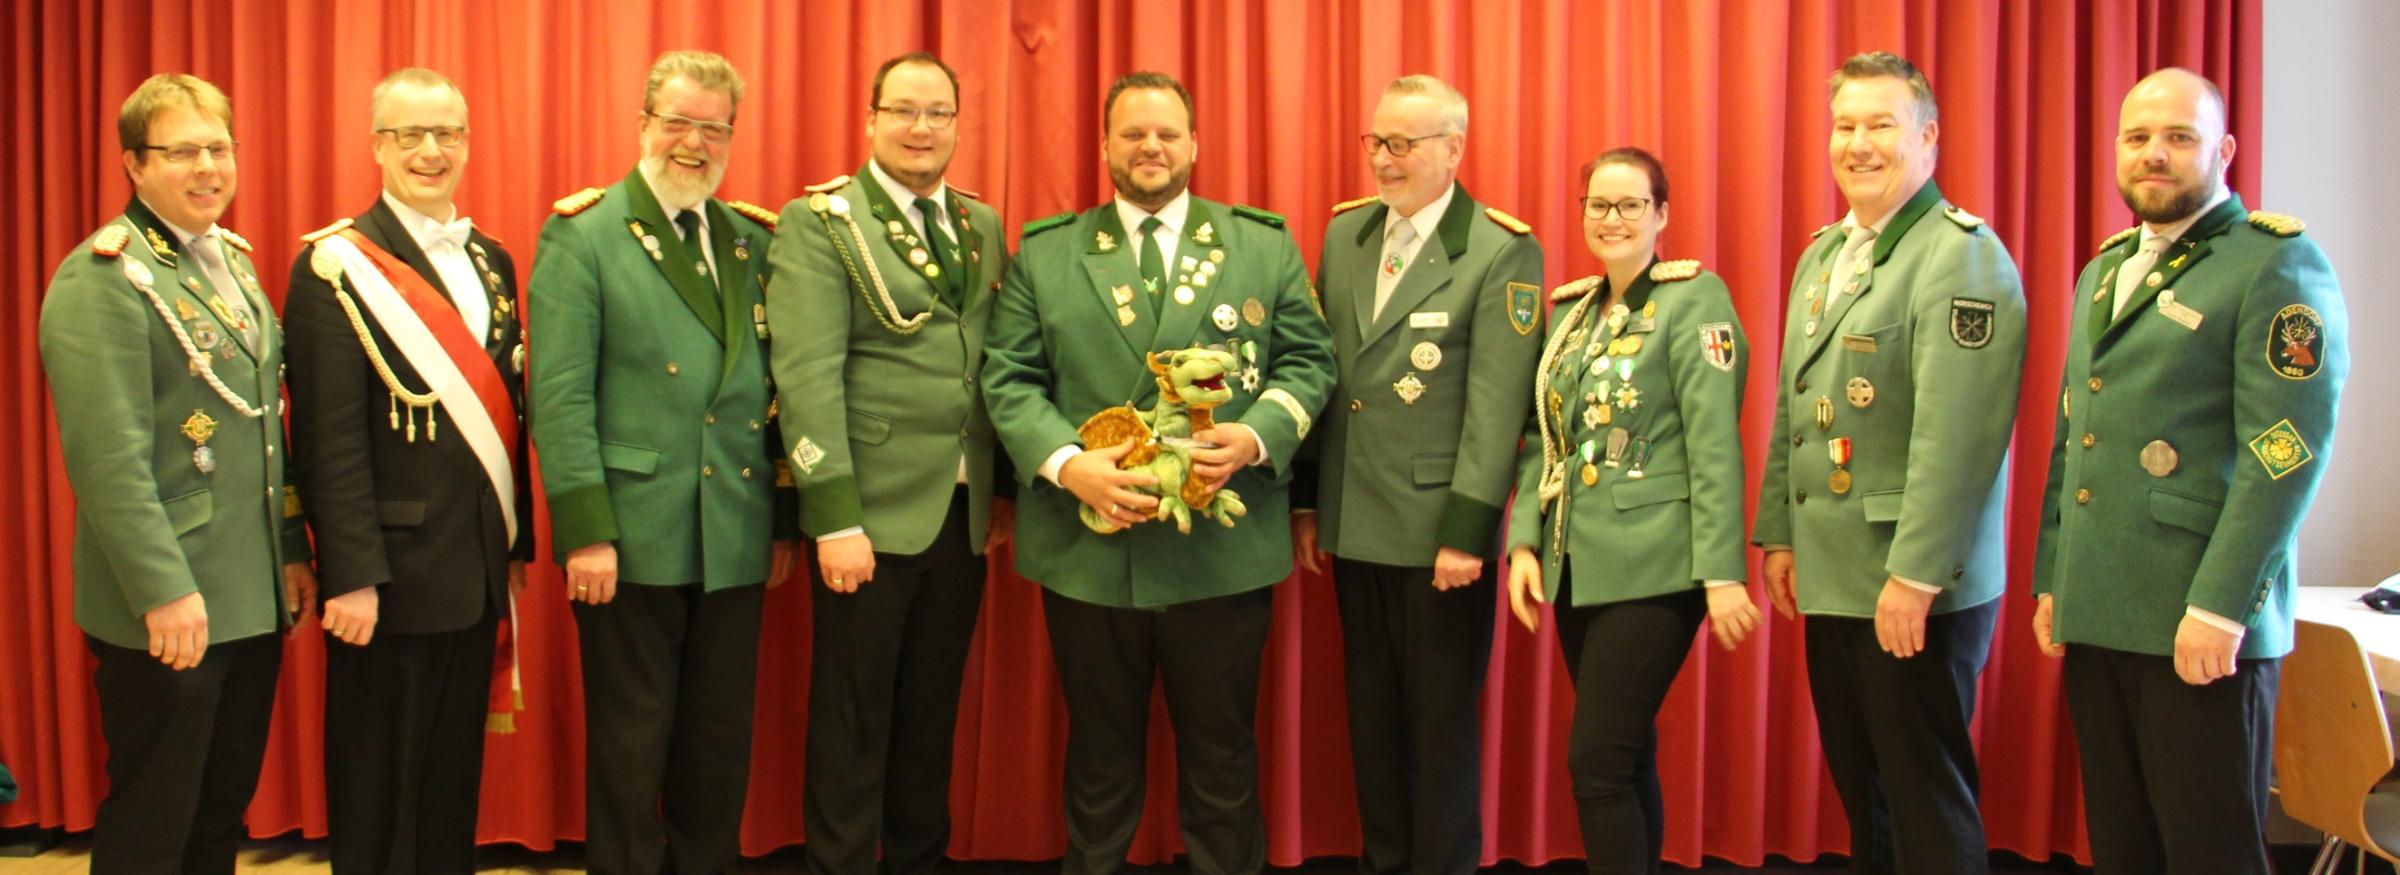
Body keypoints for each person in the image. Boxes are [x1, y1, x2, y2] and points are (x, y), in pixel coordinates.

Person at [980, 70, 1335, 875]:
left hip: (1220, 548)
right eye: (1134, 133)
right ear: (1105, 145)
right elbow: (1007, 377)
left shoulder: (1260, 243)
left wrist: (1254, 435)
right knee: (1099, 760)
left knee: (1221, 757)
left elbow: (1312, 361)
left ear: (1195, 144)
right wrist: (1069, 467)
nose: (1151, 147)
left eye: (1168, 133)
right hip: (1090, 546)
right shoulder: (1048, 251)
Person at [2030, 67, 2348, 875]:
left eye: (2179, 137)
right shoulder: (2104, 270)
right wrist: (2054, 575)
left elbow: (2287, 450)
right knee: (2125, 844)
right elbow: (2078, 436)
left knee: (2211, 853)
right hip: (2103, 604)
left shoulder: (2275, 263)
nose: (2155, 155)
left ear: (2224, 150)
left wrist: (2221, 604)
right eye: (2138, 138)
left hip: (2199, 620)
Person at [1749, 51, 2026, 875]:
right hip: (1837, 569)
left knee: (1924, 798)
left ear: (1928, 136)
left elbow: (1960, 437)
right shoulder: (1825, 253)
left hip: (1912, 585)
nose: (1858, 143)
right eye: (1845, 125)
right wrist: (1779, 532)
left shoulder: (1959, 255)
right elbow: (1797, 410)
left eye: (1881, 124)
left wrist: (1914, 573)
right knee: (1864, 790)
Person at [526, 49, 796, 875]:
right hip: (631, 534)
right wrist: (585, 533)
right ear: (644, 123)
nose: (695, 143)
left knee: (717, 748)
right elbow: (560, 398)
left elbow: (780, 393)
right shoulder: (586, 232)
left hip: (734, 531)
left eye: (714, 128)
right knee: (631, 745)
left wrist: (781, 523)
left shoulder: (751, 238)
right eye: (678, 121)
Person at [37, 72, 314, 875]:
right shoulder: (104, 278)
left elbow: (264, 432)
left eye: (219, 147)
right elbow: (108, 460)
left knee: (219, 806)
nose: (207, 167)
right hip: (172, 601)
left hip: (246, 591)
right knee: (157, 814)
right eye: (182, 150)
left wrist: (290, 547)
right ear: (133, 164)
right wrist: (163, 588)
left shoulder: (230, 261)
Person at [764, 51, 1011, 875]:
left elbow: (984, 364)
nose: (921, 129)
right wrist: (832, 515)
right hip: (865, 514)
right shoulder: (824, 220)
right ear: (870, 119)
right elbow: (803, 375)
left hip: (961, 511)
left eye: (938, 113)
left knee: (929, 718)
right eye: (903, 110)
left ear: (956, 125)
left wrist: (1001, 491)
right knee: (852, 723)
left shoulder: (978, 223)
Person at [283, 67, 529, 874]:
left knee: (449, 784)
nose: (432, 151)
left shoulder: (492, 258)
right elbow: (327, 437)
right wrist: (350, 571)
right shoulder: (334, 266)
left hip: (474, 567)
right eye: (410, 135)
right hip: (386, 579)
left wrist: (515, 546)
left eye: (447, 133)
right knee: (377, 786)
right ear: (377, 146)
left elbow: (506, 414)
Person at [1295, 73, 1540, 875]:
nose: (1384, 161)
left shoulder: (1502, 249)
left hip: (1441, 533)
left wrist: (1468, 532)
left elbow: (1498, 409)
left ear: (1452, 149)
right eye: (1375, 142)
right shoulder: (1346, 235)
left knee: (1439, 728)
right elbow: (1323, 378)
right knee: (1370, 720)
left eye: (1402, 145)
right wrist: (1306, 504)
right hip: (1355, 521)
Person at [1503, 147, 1762, 875]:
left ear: (1661, 216)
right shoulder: (1572, 311)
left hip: (1658, 565)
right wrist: (1524, 542)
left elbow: (1715, 444)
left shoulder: (1693, 299)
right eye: (1599, 205)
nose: (1612, 219)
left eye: (1630, 205)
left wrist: (1721, 572)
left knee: (1598, 764)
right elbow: (1540, 440)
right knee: (1627, 752)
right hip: (1577, 566)